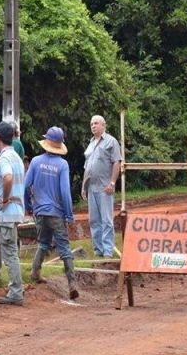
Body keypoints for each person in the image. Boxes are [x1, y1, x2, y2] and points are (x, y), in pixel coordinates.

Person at [24, 126, 79, 300]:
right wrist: (69, 214)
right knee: (64, 248)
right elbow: (65, 192)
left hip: (40, 211)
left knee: (43, 243)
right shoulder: (62, 165)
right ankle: (72, 284)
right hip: (56, 213)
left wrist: (29, 205)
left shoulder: (35, 161)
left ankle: (35, 273)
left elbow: (26, 186)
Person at [0, 121, 26, 306]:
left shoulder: (5, 158)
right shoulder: (16, 156)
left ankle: (16, 292)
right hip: (14, 212)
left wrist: (4, 199)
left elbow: (8, 177)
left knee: (10, 252)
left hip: (8, 213)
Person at [81, 115, 121, 258]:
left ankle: (108, 252)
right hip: (92, 187)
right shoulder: (90, 144)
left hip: (105, 187)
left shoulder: (111, 141)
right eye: (91, 123)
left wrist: (112, 182)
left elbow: (117, 162)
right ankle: (98, 251)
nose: (93, 126)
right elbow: (87, 166)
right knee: (94, 220)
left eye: (96, 123)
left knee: (107, 220)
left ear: (104, 125)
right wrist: (83, 186)